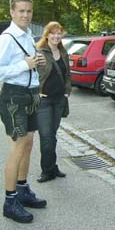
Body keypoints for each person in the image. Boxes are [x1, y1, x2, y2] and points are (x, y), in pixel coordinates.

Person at [0, 0, 47, 223]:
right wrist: (24, 65)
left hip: (30, 96)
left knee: (29, 144)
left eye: (29, 11)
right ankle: (10, 201)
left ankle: (22, 189)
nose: (25, 15)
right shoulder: (6, 38)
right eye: (21, 11)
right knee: (18, 147)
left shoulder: (28, 35)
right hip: (14, 98)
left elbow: (26, 65)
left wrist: (35, 63)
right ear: (12, 12)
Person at [35, 21, 72, 183]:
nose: (56, 36)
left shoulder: (63, 52)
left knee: (53, 136)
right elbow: (31, 74)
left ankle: (52, 166)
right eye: (53, 33)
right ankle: (47, 170)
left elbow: (68, 75)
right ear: (47, 34)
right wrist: (37, 91)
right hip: (44, 101)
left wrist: (67, 92)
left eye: (59, 33)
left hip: (59, 100)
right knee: (46, 136)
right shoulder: (40, 52)